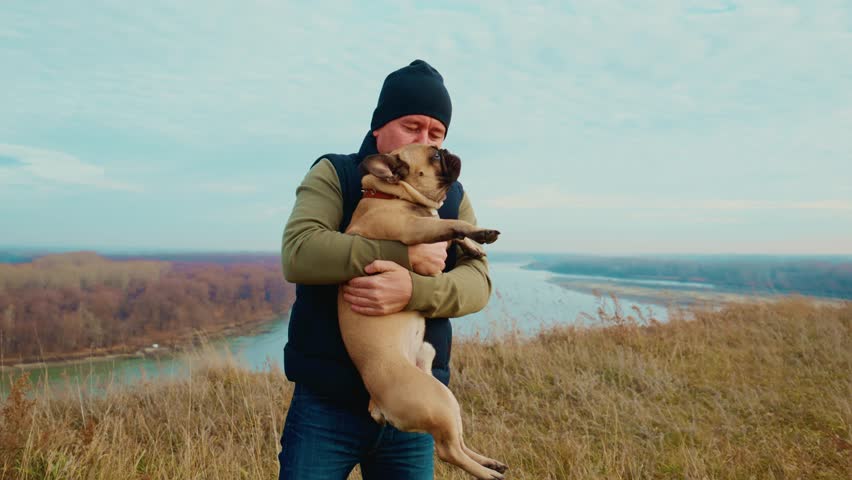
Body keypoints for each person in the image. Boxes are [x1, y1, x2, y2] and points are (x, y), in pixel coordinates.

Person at [277, 59, 491, 479]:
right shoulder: (335, 174)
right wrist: (400, 256)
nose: (426, 138)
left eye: (436, 132)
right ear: (380, 127)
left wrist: (412, 290)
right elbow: (299, 252)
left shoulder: (450, 198)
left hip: (415, 395)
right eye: (413, 126)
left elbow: (479, 284)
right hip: (326, 406)